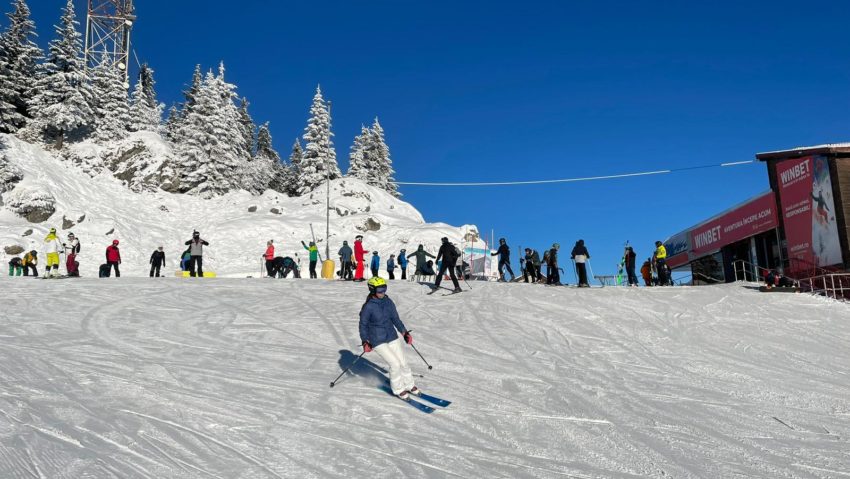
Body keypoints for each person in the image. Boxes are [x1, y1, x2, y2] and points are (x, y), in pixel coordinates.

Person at [359, 277, 418, 400]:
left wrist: (404, 333)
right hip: (377, 340)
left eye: (384, 289)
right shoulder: (368, 307)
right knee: (395, 364)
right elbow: (363, 325)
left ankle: (409, 385)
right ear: (372, 290)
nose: (383, 292)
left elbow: (395, 319)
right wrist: (365, 341)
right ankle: (398, 390)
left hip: (391, 336)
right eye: (380, 290)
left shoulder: (388, 301)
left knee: (403, 363)